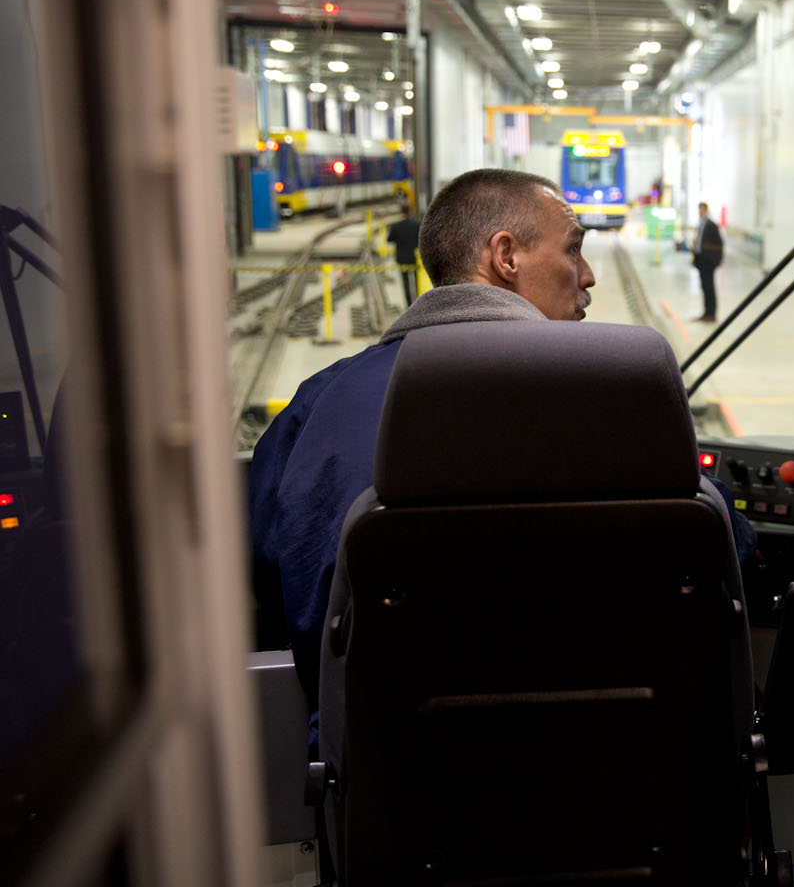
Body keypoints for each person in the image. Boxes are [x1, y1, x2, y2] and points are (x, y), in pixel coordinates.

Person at [247, 169, 754, 738]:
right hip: (627, 785)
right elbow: (719, 551)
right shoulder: (625, 396)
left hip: (392, 798)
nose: (588, 276)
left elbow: (270, 571)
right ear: (505, 257)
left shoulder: (321, 404)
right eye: (574, 249)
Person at [691, 201, 724, 321]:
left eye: (702, 210)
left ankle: (711, 314)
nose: (700, 212)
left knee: (709, 288)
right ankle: (706, 313)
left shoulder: (710, 225)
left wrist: (715, 261)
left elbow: (719, 244)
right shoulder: (701, 224)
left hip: (708, 261)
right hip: (701, 260)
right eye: (698, 209)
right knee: (704, 287)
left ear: (706, 210)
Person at [385, 211, 421, 304]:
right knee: (417, 281)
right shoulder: (416, 225)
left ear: (401, 214)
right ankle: (418, 300)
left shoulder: (397, 226)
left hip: (402, 259)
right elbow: (420, 238)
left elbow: (389, 239)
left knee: (405, 282)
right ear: (410, 213)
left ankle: (409, 303)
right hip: (414, 258)